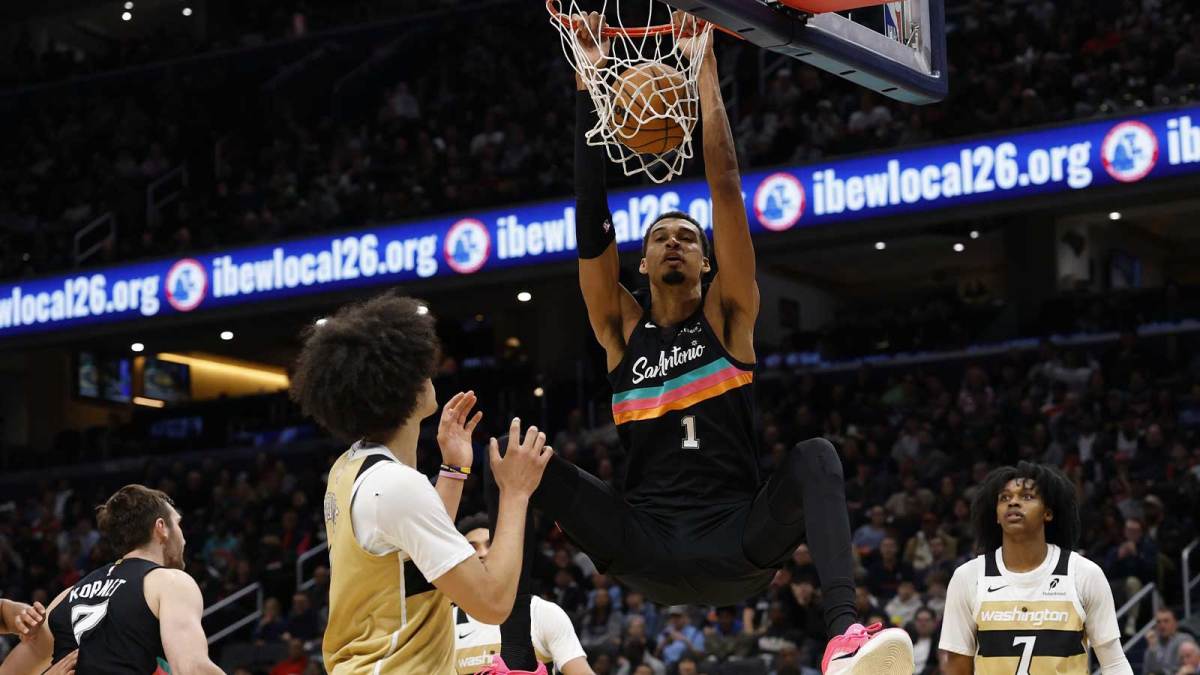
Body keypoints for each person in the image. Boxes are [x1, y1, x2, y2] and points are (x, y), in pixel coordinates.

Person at [492, 10, 912, 675]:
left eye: (688, 236)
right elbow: (589, 216)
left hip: (738, 542)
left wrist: (704, 70)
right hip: (646, 544)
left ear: (709, 263)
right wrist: (587, 83)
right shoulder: (618, 328)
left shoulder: (730, 315)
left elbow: (723, 186)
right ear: (642, 264)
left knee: (817, 456)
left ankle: (843, 636)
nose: (675, 241)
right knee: (521, 464)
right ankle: (515, 663)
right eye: (660, 235)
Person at [288, 291, 553, 674]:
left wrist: (454, 470)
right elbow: (493, 604)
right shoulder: (396, 486)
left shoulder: (349, 468)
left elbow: (418, 554)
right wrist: (514, 492)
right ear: (404, 390)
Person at [0, 485, 221, 674]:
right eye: (178, 524)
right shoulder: (170, 582)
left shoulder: (67, 597)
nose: (183, 538)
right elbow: (192, 668)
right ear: (161, 528)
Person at [939, 462, 1133, 675]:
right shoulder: (967, 577)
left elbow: (1114, 663)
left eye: (1027, 497)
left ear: (1048, 513)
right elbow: (957, 669)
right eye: (1004, 498)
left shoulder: (1084, 573)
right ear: (996, 515)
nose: (1013, 502)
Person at [452, 514, 594, 674]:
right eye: (472, 548)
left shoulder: (542, 612)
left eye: (490, 544)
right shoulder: (446, 623)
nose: (483, 553)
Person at [1144, 608, 1197, 675]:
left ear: (1175, 623)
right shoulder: (1153, 643)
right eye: (1158, 622)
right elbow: (1147, 671)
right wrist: (1152, 649)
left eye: (1166, 621)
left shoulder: (1185, 640)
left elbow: (1190, 668)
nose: (1162, 625)